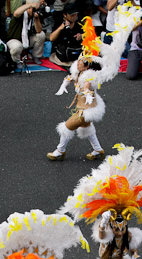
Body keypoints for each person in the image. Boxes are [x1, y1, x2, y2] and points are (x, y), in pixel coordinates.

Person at [47, 18, 106, 161]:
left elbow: (86, 88)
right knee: (87, 128)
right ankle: (98, 149)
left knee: (67, 127)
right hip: (83, 107)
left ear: (87, 66)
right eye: (78, 63)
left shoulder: (89, 77)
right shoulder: (78, 72)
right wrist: (63, 86)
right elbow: (70, 78)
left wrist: (88, 95)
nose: (77, 65)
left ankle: (60, 151)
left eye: (80, 63)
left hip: (86, 110)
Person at [5, 0, 46, 65]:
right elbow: (16, 13)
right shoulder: (21, 14)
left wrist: (36, 19)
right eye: (33, 9)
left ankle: (36, 56)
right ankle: (17, 61)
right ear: (29, 8)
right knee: (17, 47)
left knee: (41, 35)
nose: (35, 11)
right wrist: (30, 5)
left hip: (26, 40)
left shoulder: (35, 15)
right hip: (14, 40)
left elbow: (39, 31)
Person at [49, 2, 82, 67]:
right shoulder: (59, 22)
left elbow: (89, 35)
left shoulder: (79, 22)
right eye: (72, 15)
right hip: (63, 53)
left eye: (75, 14)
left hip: (75, 51)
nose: (74, 17)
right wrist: (61, 27)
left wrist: (81, 36)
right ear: (65, 15)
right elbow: (51, 38)